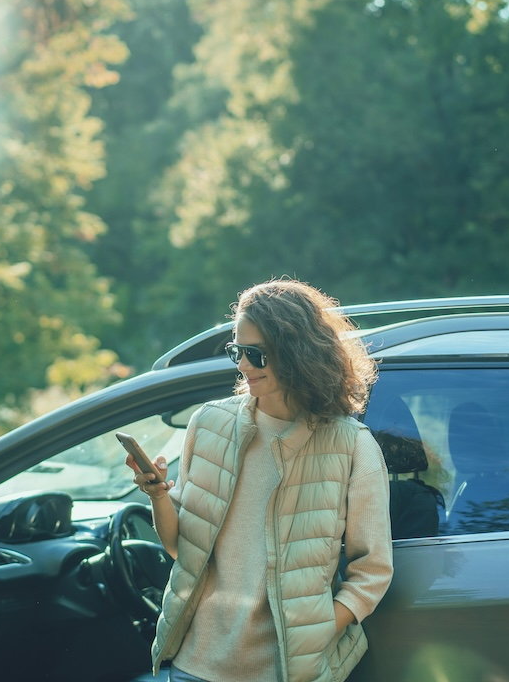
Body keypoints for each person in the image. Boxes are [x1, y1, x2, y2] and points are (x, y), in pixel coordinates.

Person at [126, 279, 394, 682]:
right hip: (193, 666)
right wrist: (158, 495)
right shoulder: (210, 423)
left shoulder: (352, 447)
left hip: (284, 673)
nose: (243, 366)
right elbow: (182, 549)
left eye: (255, 354)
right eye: (237, 351)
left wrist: (318, 632)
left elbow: (372, 572)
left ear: (297, 352)